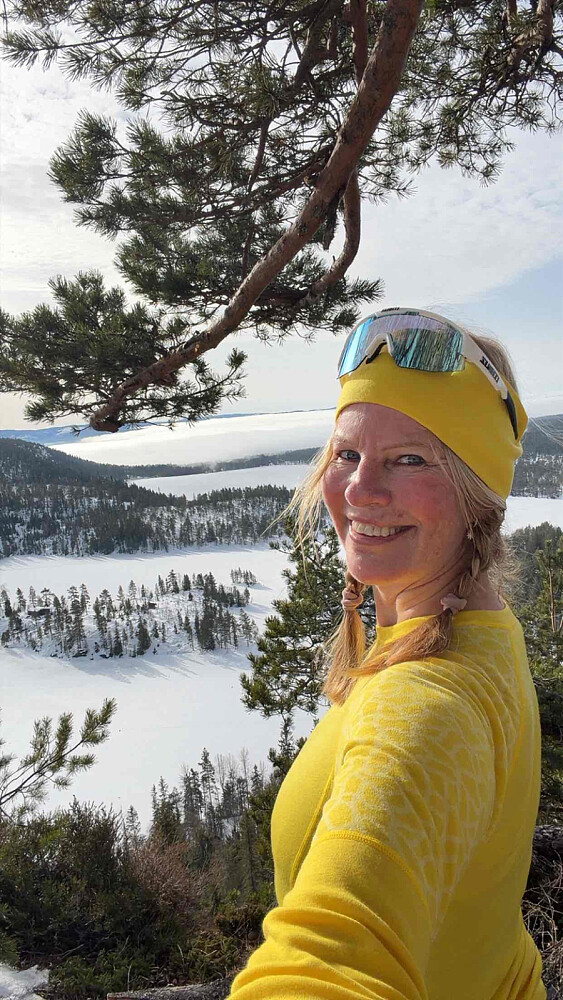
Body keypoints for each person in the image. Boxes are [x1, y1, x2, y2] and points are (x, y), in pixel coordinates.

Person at [228, 308, 545, 999]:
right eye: (347, 455)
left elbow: (329, 965)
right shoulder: (478, 624)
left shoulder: (429, 702)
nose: (359, 490)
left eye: (409, 459)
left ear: (477, 493)